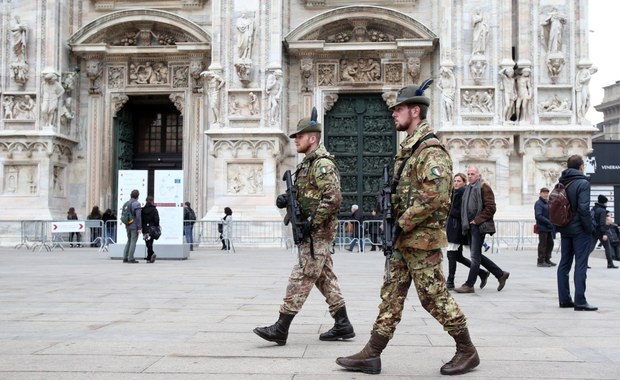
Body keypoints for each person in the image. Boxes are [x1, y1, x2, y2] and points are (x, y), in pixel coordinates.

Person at [336, 83, 478, 376]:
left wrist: (402, 221)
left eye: (398, 109)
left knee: (433, 297)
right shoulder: (411, 149)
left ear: (415, 110)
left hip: (421, 240)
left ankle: (467, 350)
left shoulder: (431, 150)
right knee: (391, 294)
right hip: (404, 240)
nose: (393, 115)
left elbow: (436, 194)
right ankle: (372, 354)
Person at [254, 107, 355, 346]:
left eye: (299, 136)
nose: (295, 140)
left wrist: (312, 223)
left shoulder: (321, 164)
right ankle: (343, 324)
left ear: (312, 138)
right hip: (313, 230)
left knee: (302, 275)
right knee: (324, 277)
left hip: (318, 232)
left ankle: (282, 326)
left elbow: (333, 198)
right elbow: (306, 194)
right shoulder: (306, 165)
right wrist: (285, 199)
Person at [455, 167, 510, 293]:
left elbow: (491, 208)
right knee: (477, 255)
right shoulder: (468, 188)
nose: (469, 176)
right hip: (469, 226)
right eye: (468, 174)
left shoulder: (484, 187)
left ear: (478, 175)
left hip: (478, 226)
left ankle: (469, 284)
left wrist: (477, 220)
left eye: (472, 174)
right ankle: (500, 274)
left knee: (474, 256)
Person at [556, 155, 598, 311]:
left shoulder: (562, 182)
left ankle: (564, 299)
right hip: (580, 229)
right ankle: (580, 300)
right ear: (581, 167)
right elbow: (583, 208)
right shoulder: (583, 183)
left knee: (564, 264)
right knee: (581, 264)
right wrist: (589, 228)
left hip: (565, 228)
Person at [446, 173, 489, 290]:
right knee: (457, 256)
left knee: (451, 254)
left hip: (457, 228)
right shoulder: (456, 193)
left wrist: (447, 208)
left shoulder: (462, 193)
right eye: (454, 181)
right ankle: (482, 273)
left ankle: (450, 281)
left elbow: (460, 212)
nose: (456, 183)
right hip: (453, 227)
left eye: (459, 181)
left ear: (464, 182)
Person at [590, 195, 618, 269]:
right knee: (608, 247)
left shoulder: (594, 208)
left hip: (594, 231)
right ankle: (610, 264)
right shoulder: (602, 211)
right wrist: (604, 234)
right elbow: (602, 223)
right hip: (601, 232)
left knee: (590, 248)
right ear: (604, 202)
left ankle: (583, 262)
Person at [534, 187, 556, 267]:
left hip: (549, 227)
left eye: (547, 193)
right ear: (540, 193)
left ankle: (547, 259)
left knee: (550, 243)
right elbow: (538, 215)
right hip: (543, 227)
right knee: (543, 244)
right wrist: (548, 221)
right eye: (544, 193)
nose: (546, 194)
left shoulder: (548, 202)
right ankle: (540, 261)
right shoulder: (539, 203)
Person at [122, 189, 141, 263]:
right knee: (133, 241)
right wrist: (139, 227)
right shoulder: (136, 204)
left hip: (127, 225)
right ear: (137, 196)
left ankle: (125, 257)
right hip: (134, 225)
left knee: (129, 240)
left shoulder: (126, 203)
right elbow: (138, 216)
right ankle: (131, 258)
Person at [141, 195, 160, 263]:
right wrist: (156, 226)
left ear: (146, 201)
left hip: (145, 228)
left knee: (147, 242)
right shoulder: (154, 209)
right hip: (152, 228)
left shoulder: (143, 210)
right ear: (152, 201)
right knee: (150, 242)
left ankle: (150, 256)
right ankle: (151, 254)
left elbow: (141, 219)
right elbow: (157, 219)